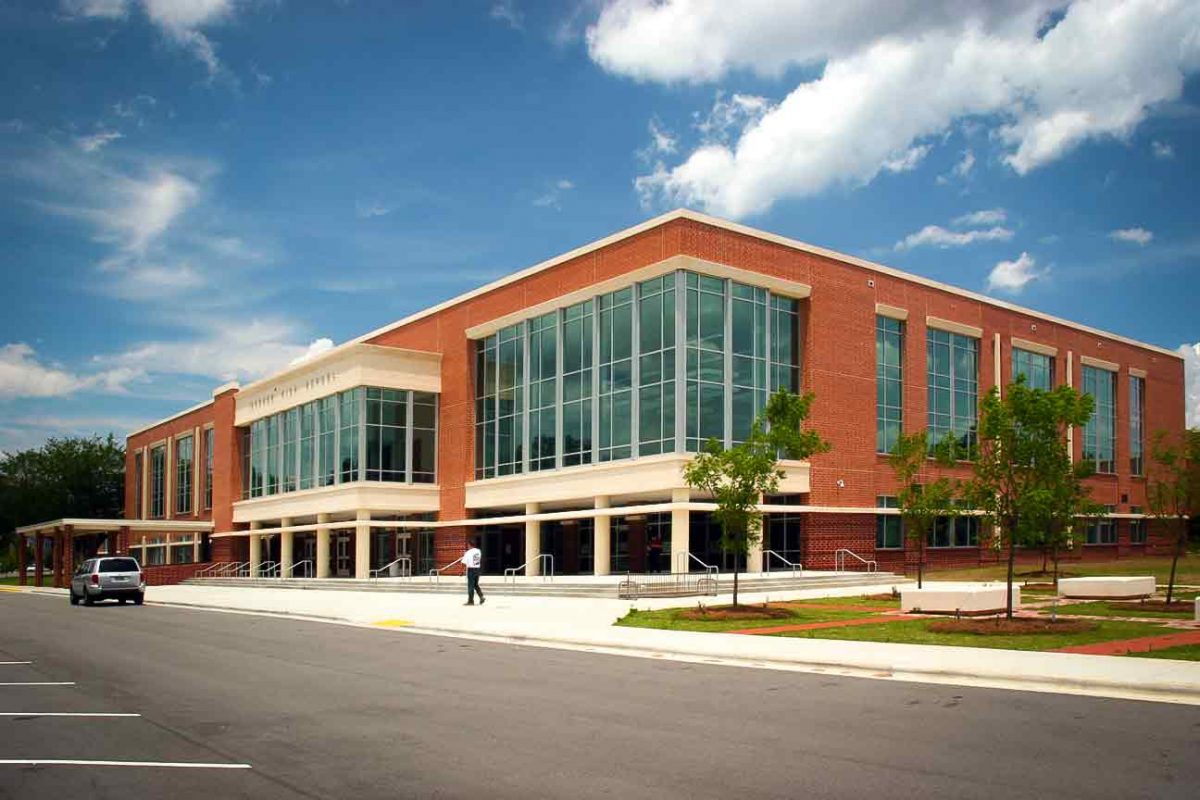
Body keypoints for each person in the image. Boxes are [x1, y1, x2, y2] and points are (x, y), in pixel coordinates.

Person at [460, 537, 485, 606]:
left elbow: (463, 563)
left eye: (468, 545)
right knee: (475, 584)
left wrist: (461, 571)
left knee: (470, 586)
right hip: (477, 569)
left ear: (469, 545)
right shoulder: (478, 551)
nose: (467, 546)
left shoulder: (468, 552)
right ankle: (481, 596)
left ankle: (471, 601)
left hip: (471, 570)